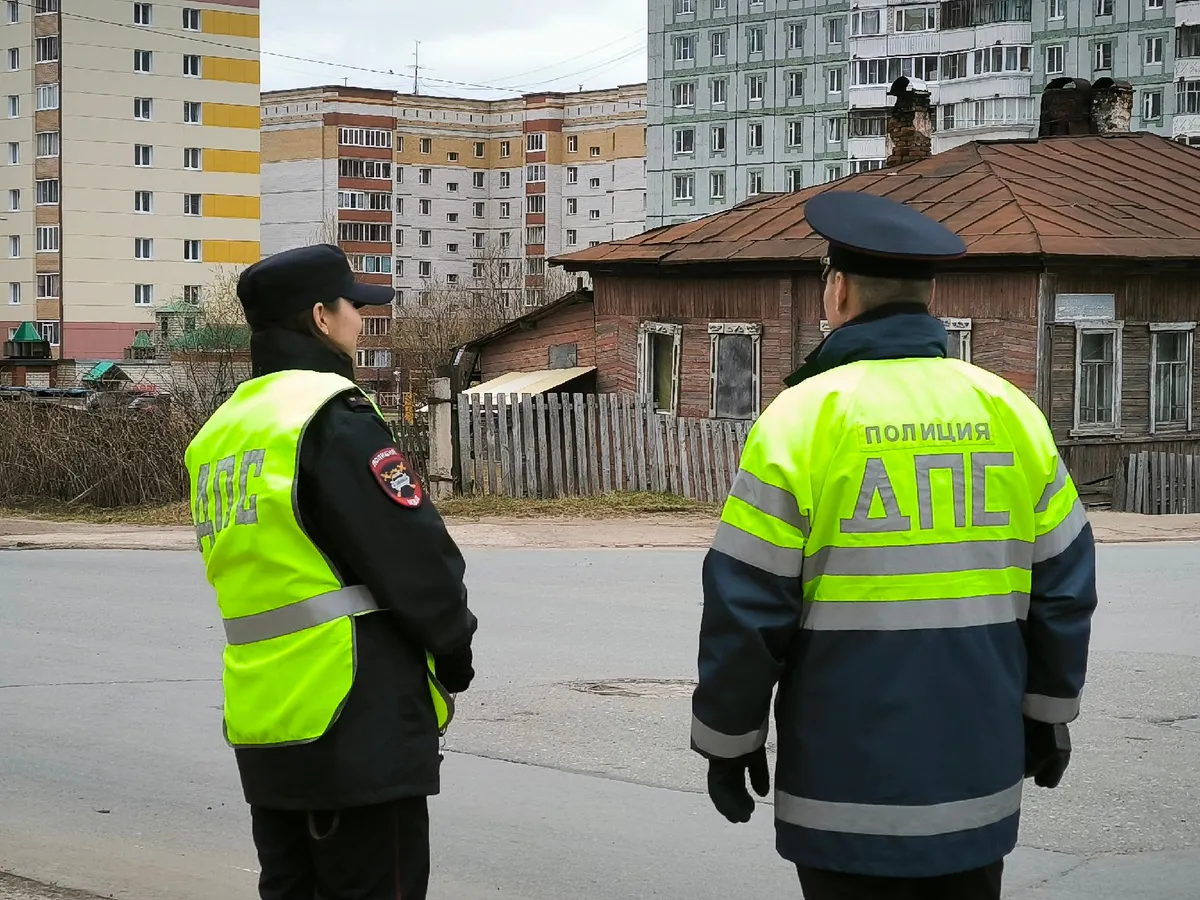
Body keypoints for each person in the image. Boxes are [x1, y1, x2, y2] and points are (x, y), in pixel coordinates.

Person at [690, 192, 1096, 900]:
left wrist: (729, 741)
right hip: (978, 778)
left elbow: (747, 609)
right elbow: (1065, 587)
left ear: (839, 290)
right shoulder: (1009, 412)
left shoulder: (802, 419)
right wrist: (1047, 714)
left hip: (843, 792)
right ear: (925, 299)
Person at [184, 244, 478, 900]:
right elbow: (415, 556)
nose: (361, 320)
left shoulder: (222, 433)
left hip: (266, 727)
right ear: (320, 317)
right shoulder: (327, 414)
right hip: (354, 721)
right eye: (354, 307)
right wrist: (454, 650)